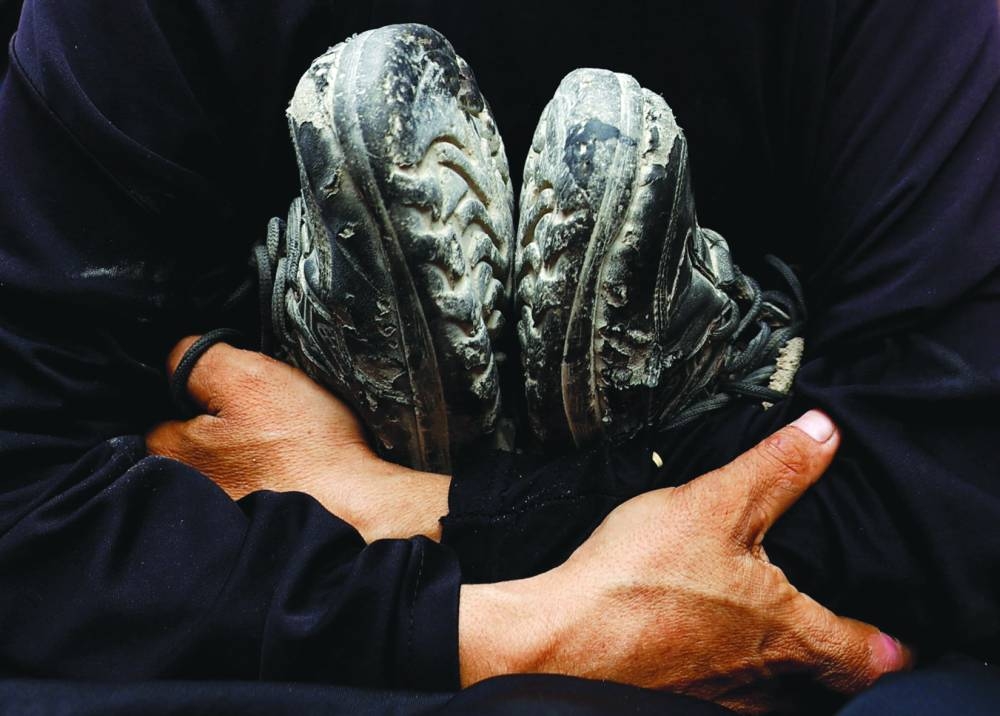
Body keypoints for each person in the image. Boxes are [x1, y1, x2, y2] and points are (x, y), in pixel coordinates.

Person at [1, 1, 999, 714]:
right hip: (325, 636)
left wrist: (390, 501)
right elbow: (23, 496)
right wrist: (503, 632)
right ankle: (696, 403)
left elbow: (945, 496)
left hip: (296, 568)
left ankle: (682, 375)